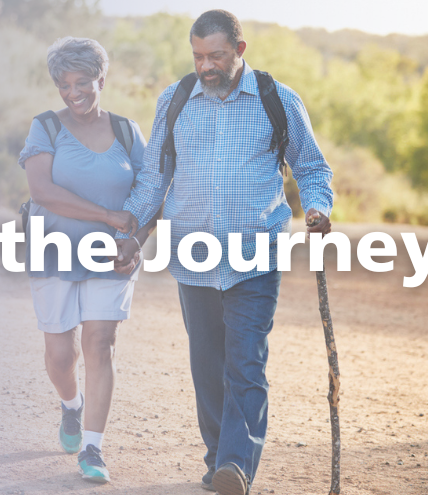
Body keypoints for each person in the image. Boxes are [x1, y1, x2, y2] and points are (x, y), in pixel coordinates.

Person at [112, 10, 334, 495]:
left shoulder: (277, 99)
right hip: (193, 256)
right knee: (207, 365)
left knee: (246, 362)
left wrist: (316, 209)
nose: (205, 66)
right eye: (197, 56)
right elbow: (155, 177)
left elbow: (312, 168)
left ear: (240, 50)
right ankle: (218, 459)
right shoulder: (175, 100)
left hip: (255, 254)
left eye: (215, 56)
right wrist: (132, 231)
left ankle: (236, 465)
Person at [18, 36, 157, 483]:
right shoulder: (46, 127)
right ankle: (71, 405)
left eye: (82, 82)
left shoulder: (125, 131)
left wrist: (135, 241)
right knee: (61, 354)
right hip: (53, 251)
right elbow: (42, 191)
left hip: (110, 257)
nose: (73, 92)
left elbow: (151, 193)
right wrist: (107, 215)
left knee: (100, 344)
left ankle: (94, 448)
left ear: (102, 78)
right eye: (63, 84)